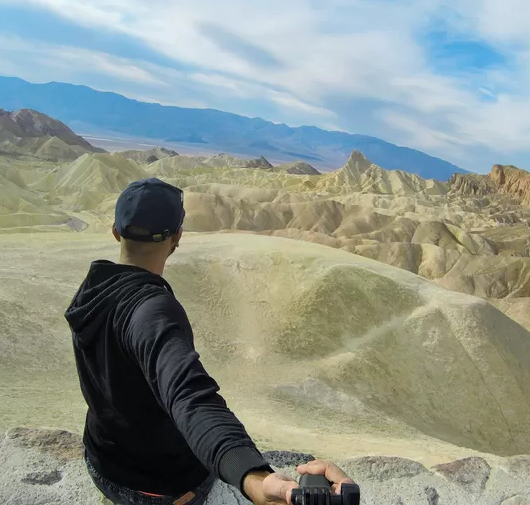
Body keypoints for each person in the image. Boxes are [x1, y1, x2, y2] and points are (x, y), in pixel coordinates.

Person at [64, 177, 354, 505]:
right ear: (178, 236)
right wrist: (256, 479)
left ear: (116, 232)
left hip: (103, 464)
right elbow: (191, 399)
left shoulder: (93, 287)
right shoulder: (153, 311)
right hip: (160, 487)